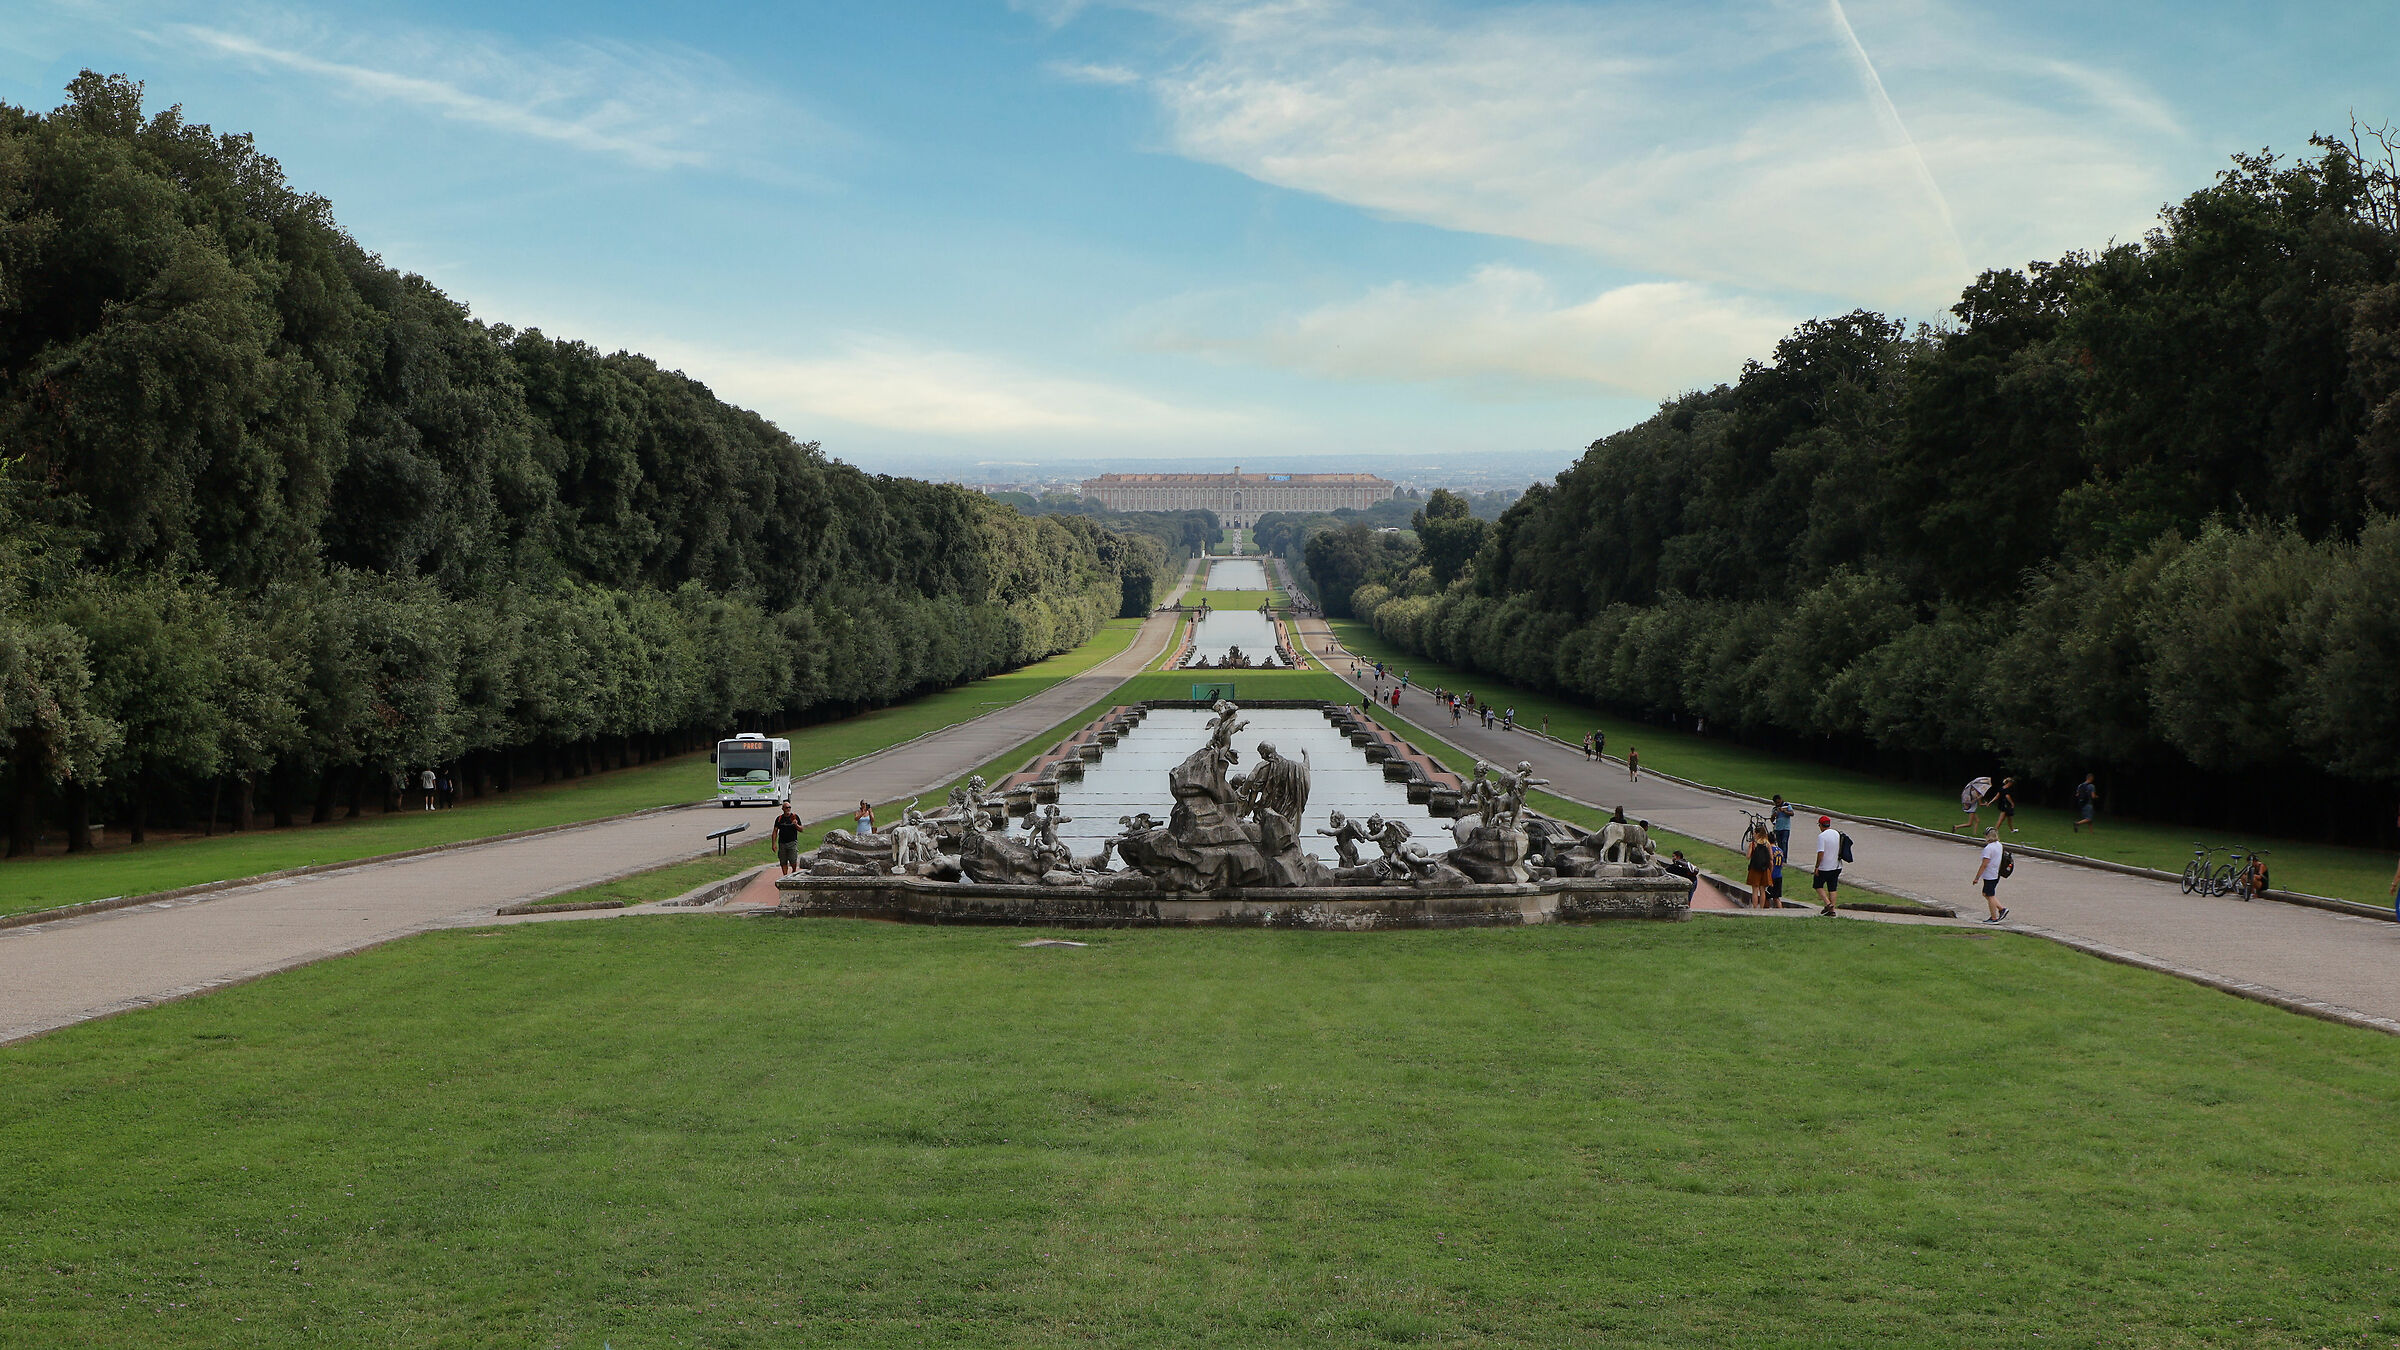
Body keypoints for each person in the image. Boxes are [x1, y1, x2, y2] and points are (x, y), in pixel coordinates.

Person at [1975, 827, 2009, 923]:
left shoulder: (1988, 848)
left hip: (1990, 875)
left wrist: (1977, 877)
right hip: (1996, 873)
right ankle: (2001, 909)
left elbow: (1984, 864)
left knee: (1990, 895)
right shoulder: (1999, 845)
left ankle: (1994, 918)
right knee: (1986, 893)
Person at [1812, 814, 1842, 916]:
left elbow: (1821, 852)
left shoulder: (1822, 836)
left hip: (1825, 866)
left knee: (1817, 885)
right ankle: (1832, 910)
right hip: (1837, 865)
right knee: (1832, 887)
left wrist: (1817, 866)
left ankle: (1828, 904)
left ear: (1821, 825)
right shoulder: (1837, 833)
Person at [1745, 826, 1775, 909]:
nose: (1753, 835)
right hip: (1765, 869)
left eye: (1754, 833)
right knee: (1762, 890)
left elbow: (1748, 856)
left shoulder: (1753, 844)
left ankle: (1755, 907)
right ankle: (1761, 908)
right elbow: (1771, 858)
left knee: (1755, 890)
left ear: (1758, 834)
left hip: (1754, 868)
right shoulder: (1767, 843)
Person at [773, 802, 804, 876]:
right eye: (786, 807)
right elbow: (775, 831)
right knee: (783, 861)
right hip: (782, 843)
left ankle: (793, 871)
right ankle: (785, 875)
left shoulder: (795, 817)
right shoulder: (779, 818)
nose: (788, 809)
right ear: (783, 809)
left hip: (792, 842)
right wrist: (774, 843)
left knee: (793, 860)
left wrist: (796, 824)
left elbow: (801, 829)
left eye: (789, 807)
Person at [1769, 794, 1793, 862]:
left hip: (1786, 828)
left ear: (1781, 799)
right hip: (1778, 828)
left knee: (1784, 842)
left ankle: (1784, 858)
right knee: (1779, 844)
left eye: (1778, 802)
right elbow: (1771, 820)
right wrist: (1774, 815)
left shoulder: (1787, 805)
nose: (1777, 804)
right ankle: (1780, 857)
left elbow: (1792, 813)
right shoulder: (1775, 809)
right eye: (1776, 803)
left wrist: (1784, 811)